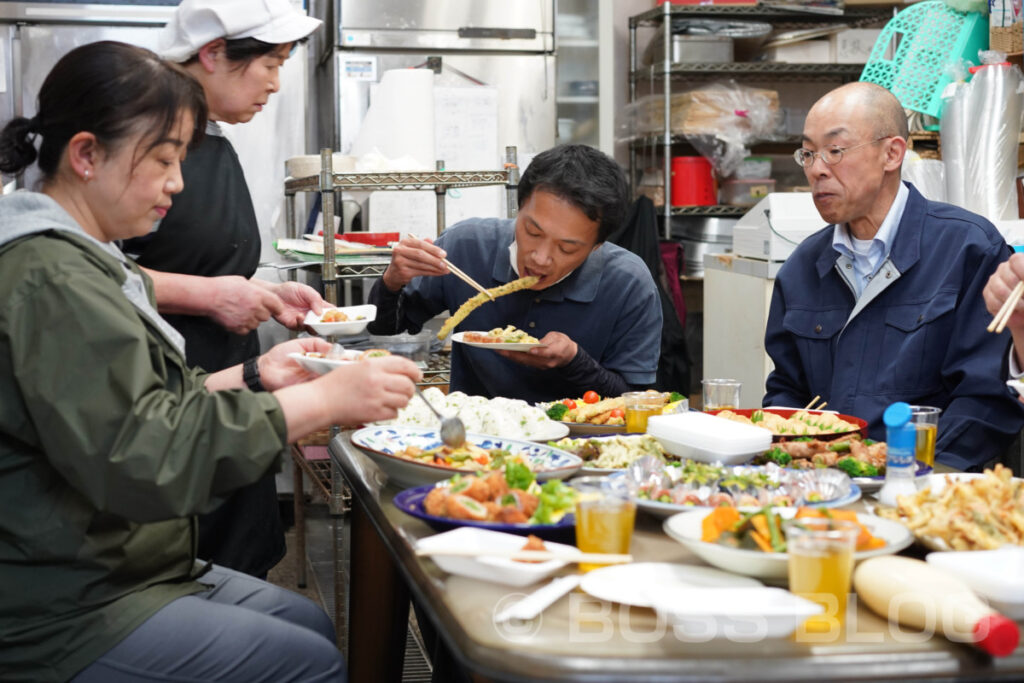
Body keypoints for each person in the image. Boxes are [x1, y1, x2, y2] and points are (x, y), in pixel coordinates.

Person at [0, 41, 421, 682]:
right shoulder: (50, 276)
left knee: (307, 623)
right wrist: (324, 400)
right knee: (310, 662)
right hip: (65, 599)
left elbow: (151, 401)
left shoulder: (95, 259)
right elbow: (148, 457)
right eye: (165, 159)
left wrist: (260, 374)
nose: (177, 182)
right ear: (86, 154)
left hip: (123, 560)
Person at [121, 0, 326, 578]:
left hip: (230, 389)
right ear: (212, 55)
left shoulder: (213, 139)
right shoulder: (133, 144)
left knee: (240, 570)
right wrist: (210, 296)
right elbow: (86, 273)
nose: (276, 84)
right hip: (158, 403)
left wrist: (261, 293)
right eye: (270, 64)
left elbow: (198, 261)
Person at [763, 81, 1024, 471]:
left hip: (930, 484)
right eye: (809, 153)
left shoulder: (969, 248)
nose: (817, 170)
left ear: (892, 153)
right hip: (823, 486)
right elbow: (788, 391)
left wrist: (912, 475)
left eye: (835, 151)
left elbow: (984, 399)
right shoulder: (802, 267)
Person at [367, 144, 663, 403]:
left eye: (567, 248)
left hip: (580, 449)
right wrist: (392, 281)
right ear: (518, 208)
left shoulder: (629, 283)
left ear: (598, 245)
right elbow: (385, 331)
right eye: (532, 232)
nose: (540, 258)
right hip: (475, 444)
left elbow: (633, 402)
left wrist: (574, 361)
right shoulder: (467, 246)